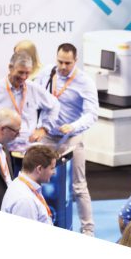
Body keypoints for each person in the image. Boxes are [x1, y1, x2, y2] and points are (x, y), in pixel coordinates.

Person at [35, 43, 98, 236]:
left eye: (67, 63)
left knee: (78, 186)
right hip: (47, 136)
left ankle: (88, 230)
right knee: (36, 180)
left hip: (71, 138)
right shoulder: (47, 73)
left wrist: (74, 126)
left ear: (75, 61)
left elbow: (92, 113)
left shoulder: (85, 82)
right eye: (60, 61)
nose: (63, 66)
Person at [0, 52, 59, 149]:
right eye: (20, 72)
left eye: (27, 73)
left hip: (28, 148)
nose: (23, 77)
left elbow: (55, 105)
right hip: (3, 148)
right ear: (10, 68)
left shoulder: (33, 88)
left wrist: (44, 129)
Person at [1, 145, 58, 224]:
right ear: (39, 169)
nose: (54, 172)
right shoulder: (25, 201)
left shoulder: (22, 183)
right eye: (52, 168)